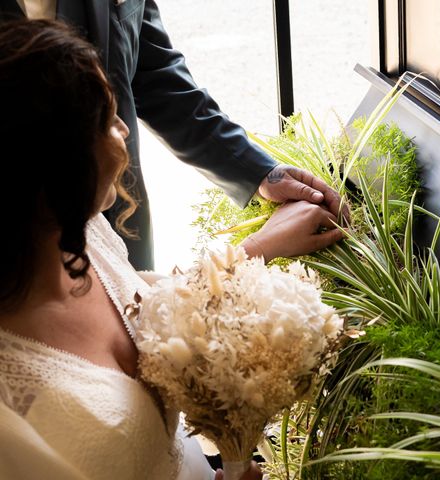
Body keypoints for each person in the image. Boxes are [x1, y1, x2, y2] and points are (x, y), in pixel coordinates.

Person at [0, 19, 344, 480]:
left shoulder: (85, 234)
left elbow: (151, 301)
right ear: (54, 165)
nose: (125, 128)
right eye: (106, 118)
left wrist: (258, 247)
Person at [0, 0, 347, 271]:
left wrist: (258, 171)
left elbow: (154, 73)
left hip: (117, 219)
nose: (122, 125)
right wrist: (260, 247)